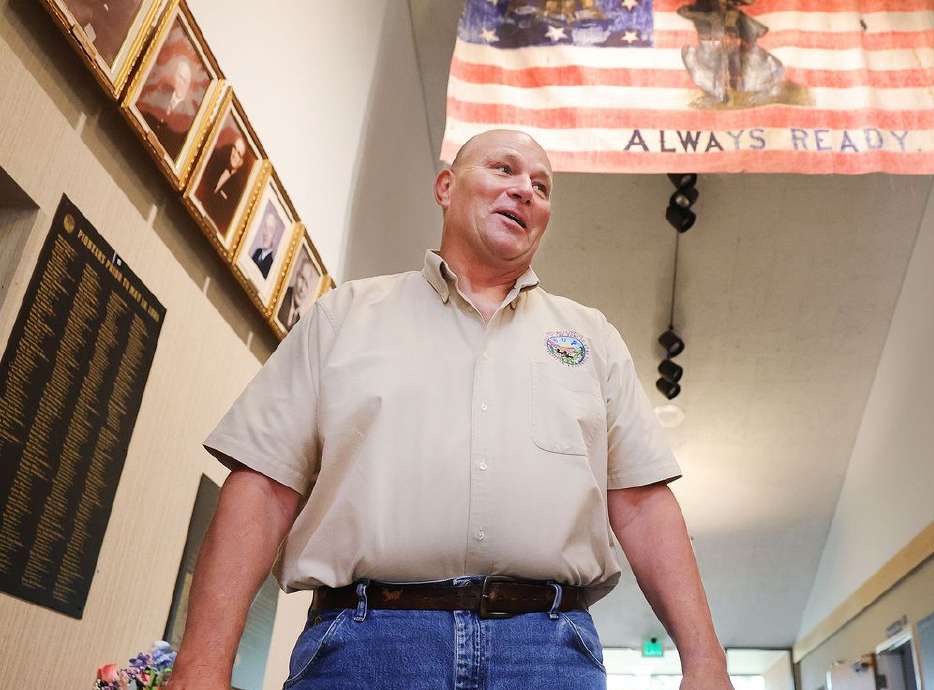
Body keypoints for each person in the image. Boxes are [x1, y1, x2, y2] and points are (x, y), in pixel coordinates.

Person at [168, 130, 733, 690]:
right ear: (446, 186)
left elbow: (642, 505)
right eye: (504, 169)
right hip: (364, 647)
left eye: (542, 185)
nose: (526, 191)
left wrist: (706, 662)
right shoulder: (343, 318)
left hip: (547, 654)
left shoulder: (592, 340)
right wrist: (200, 667)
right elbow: (263, 489)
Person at [139, 56, 198, 160]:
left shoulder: (187, 117)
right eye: (179, 77)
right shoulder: (161, 93)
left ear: (188, 86)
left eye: (184, 81)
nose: (180, 83)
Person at [196, 128, 252, 233]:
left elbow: (224, 220)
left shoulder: (237, 191)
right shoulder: (217, 164)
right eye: (234, 148)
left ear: (242, 162)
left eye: (239, 154)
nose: (234, 154)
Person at [276, 252, 319, 331]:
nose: (302, 289)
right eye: (302, 278)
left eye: (307, 285)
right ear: (296, 276)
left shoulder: (300, 321)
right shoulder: (280, 297)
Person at [248, 207, 281, 279]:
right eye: (265, 227)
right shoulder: (257, 251)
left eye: (271, 230)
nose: (266, 233)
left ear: (275, 236)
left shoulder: (271, 265)